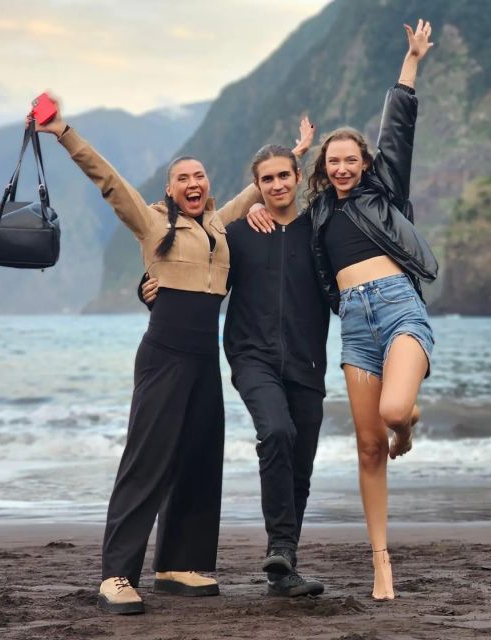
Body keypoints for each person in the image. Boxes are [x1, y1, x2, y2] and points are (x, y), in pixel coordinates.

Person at [31, 98, 308, 614]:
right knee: (147, 462)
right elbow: (108, 181)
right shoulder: (155, 226)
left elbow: (257, 189)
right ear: (170, 188)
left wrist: (295, 153)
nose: (193, 183)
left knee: (200, 460)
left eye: (199, 175)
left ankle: (178, 564)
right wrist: (62, 130)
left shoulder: (220, 228)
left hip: (206, 359)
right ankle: (117, 573)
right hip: (164, 356)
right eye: (183, 177)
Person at [248, 19, 438, 600]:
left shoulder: (385, 193)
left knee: (396, 411)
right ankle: (382, 561)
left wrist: (410, 63)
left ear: (365, 162)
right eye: (333, 162)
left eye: (352, 159)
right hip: (354, 325)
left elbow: (398, 127)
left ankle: (406, 425)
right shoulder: (318, 219)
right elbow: (285, 243)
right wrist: (256, 207)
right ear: (323, 170)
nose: (343, 168)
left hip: (398, 307)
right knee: (367, 446)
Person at [142, 141, 331, 597]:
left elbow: (345, 283)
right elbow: (194, 274)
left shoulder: (318, 232)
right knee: (277, 432)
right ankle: (281, 549)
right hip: (252, 357)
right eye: (267, 179)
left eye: (284, 176)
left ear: (298, 178)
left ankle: (283, 566)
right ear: (257, 185)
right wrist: (150, 290)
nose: (276, 185)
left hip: (308, 362)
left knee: (300, 466)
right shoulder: (240, 235)